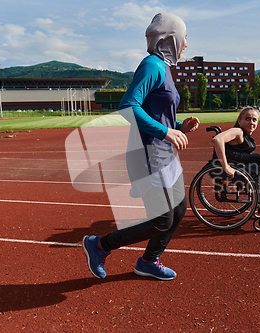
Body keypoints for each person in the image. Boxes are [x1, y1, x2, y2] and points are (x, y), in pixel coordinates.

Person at [83, 13, 199, 281]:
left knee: (179, 209)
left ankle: (149, 261)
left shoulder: (164, 69)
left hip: (164, 152)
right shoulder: (152, 66)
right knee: (162, 220)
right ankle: (99, 245)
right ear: (171, 38)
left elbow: (157, 113)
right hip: (149, 154)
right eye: (184, 39)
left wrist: (179, 126)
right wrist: (165, 131)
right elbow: (128, 106)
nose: (185, 45)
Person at [212, 106, 260, 204]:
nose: (251, 122)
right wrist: (226, 166)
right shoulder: (238, 131)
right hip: (225, 166)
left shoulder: (248, 135)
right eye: (247, 119)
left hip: (237, 162)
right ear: (239, 121)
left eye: (254, 120)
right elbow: (217, 139)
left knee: (258, 164)